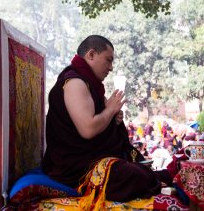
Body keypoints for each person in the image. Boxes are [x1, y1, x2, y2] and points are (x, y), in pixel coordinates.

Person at [42, 35, 173, 205]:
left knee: (135, 167)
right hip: (74, 168)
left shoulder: (90, 83)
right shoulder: (75, 82)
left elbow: (97, 121)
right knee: (126, 174)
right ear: (91, 54)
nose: (110, 67)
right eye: (108, 60)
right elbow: (88, 129)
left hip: (88, 159)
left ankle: (156, 176)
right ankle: (162, 176)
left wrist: (113, 119)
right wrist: (110, 110)